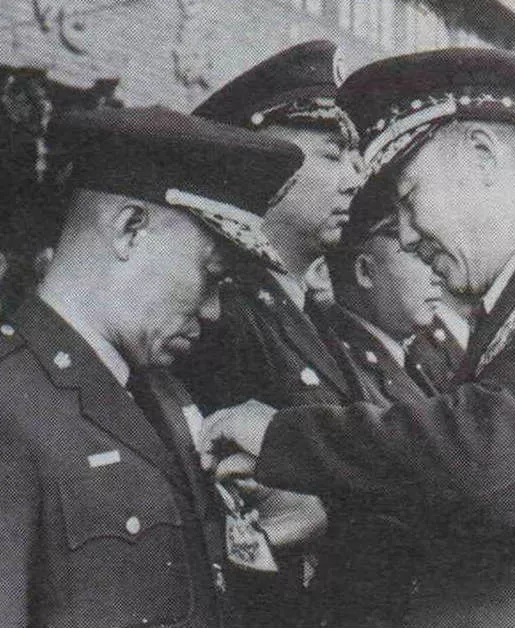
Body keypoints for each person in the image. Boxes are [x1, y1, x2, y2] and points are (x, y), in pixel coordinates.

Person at [200, 47, 515, 628]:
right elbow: (475, 535)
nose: (408, 238)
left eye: (408, 200)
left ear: (482, 154)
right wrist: (336, 518)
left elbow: (491, 465)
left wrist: (285, 438)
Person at [0, 105, 304, 627]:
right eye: (210, 275)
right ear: (130, 228)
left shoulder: (163, 397)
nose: (213, 312)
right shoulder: (10, 402)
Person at [174, 40, 364, 627]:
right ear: (264, 163)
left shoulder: (313, 315)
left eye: (355, 158)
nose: (356, 178)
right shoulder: (219, 318)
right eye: (333, 156)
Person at [324, 196, 443, 404]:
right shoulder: (339, 365)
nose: (437, 275)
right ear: (365, 271)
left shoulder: (403, 354)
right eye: (417, 253)